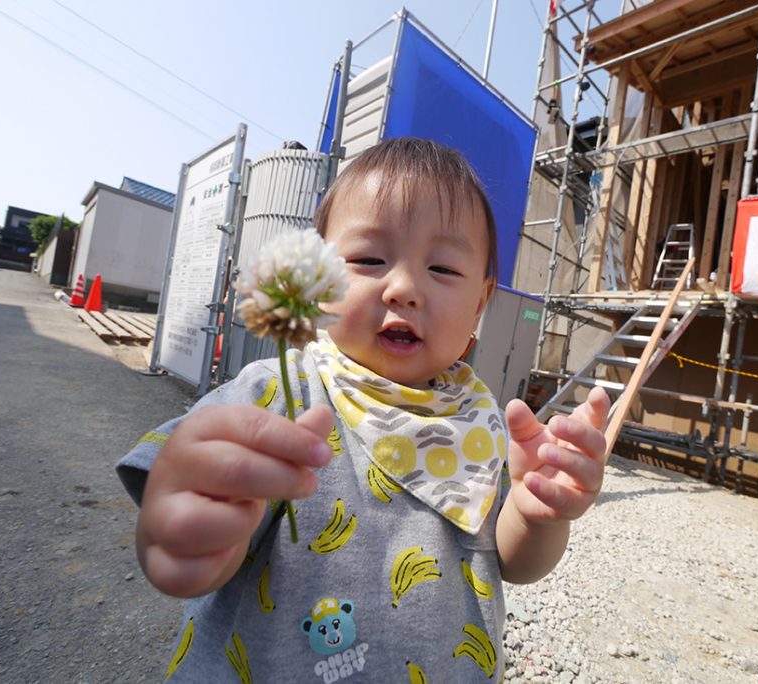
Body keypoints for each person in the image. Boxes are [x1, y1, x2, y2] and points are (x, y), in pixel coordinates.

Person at [117, 137, 610, 682]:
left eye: (443, 268)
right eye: (369, 260)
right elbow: (183, 548)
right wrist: (184, 528)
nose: (404, 288)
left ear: (480, 303)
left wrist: (537, 514)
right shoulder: (277, 396)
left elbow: (512, 562)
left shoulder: (478, 419)